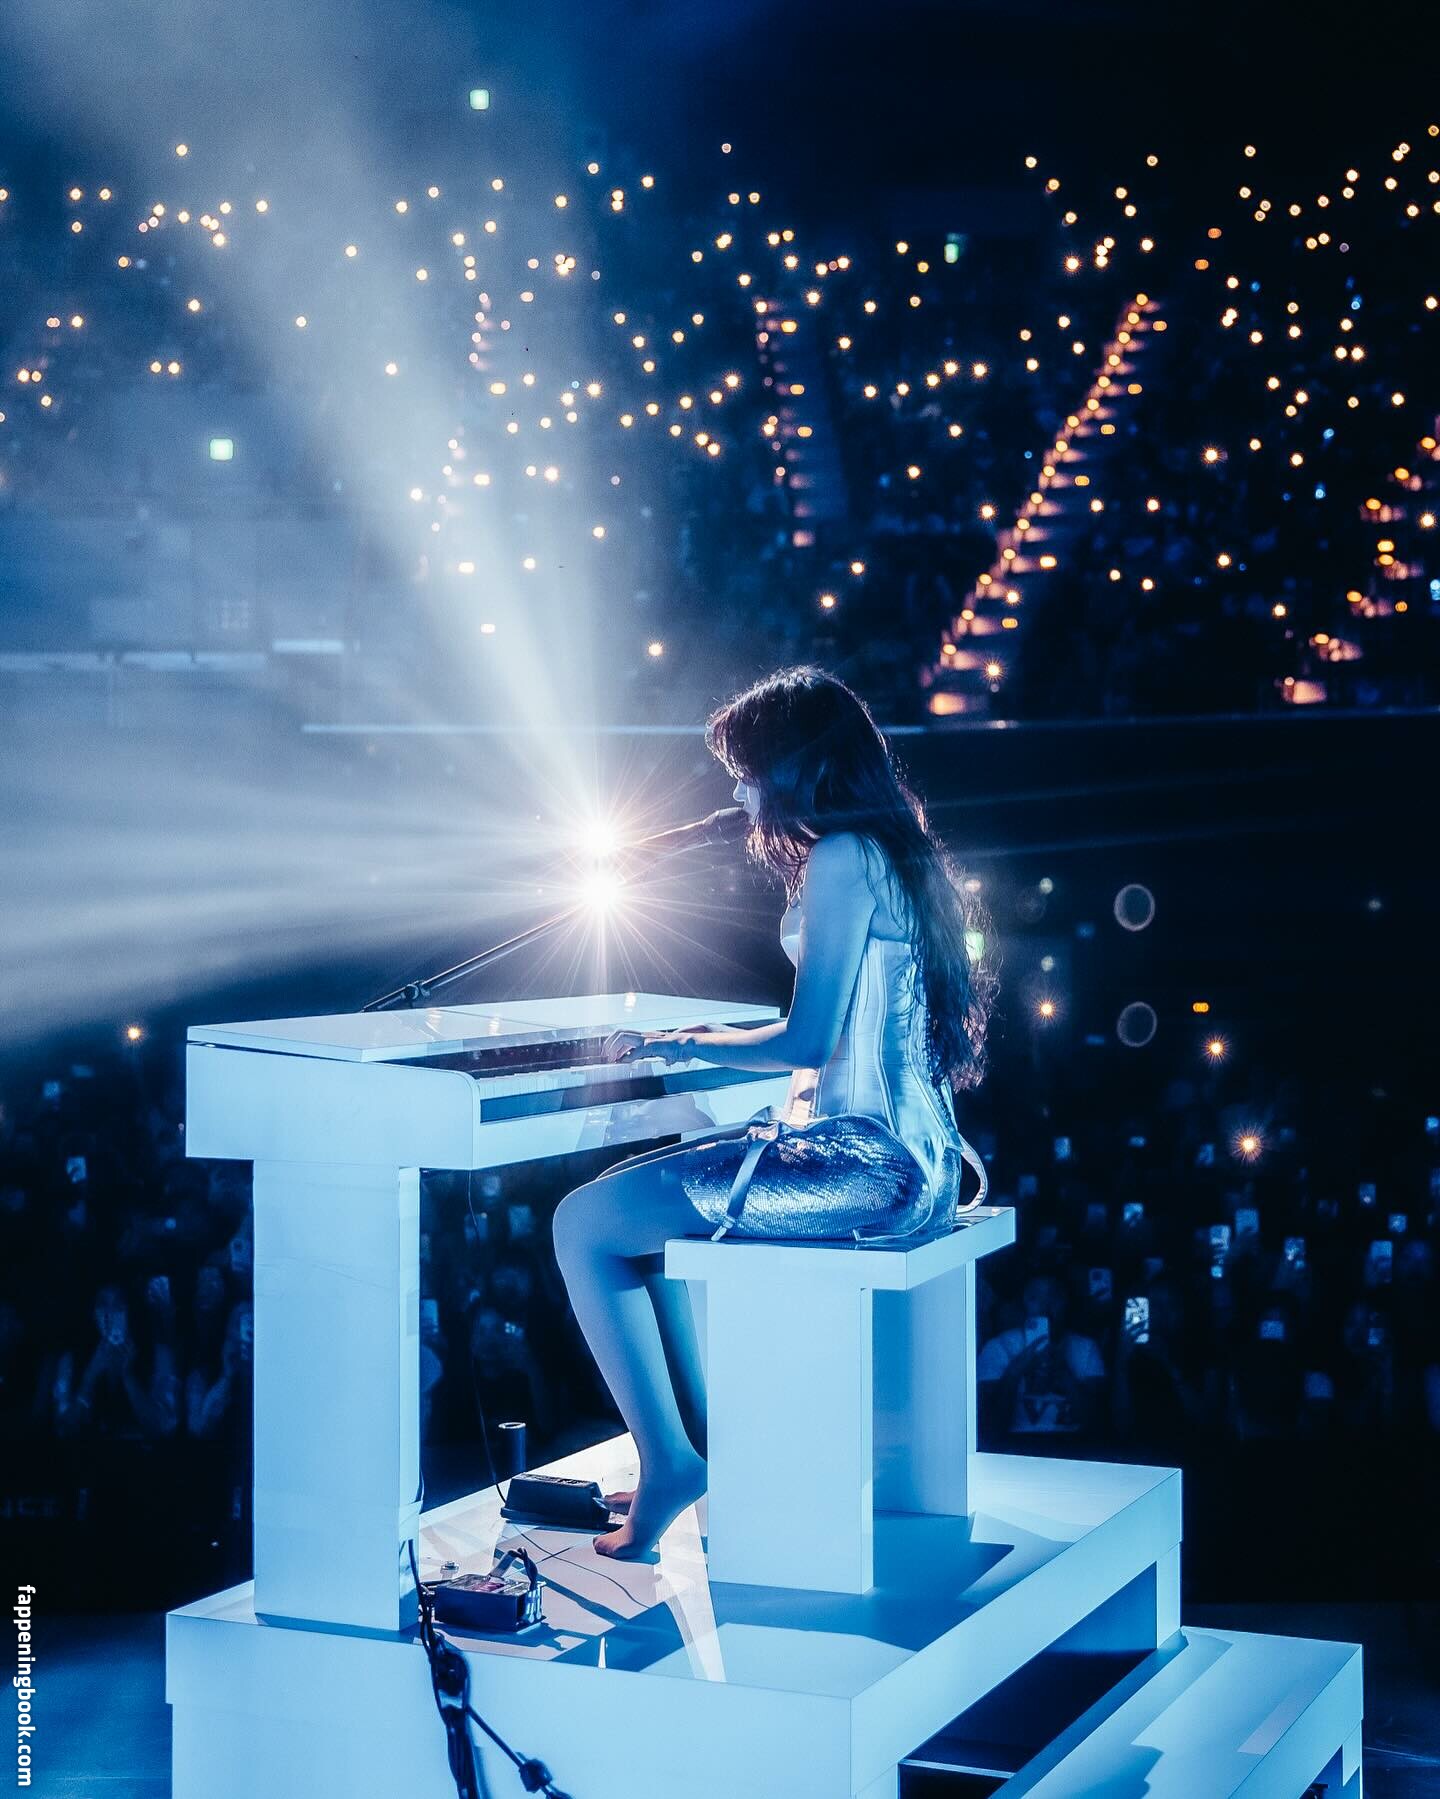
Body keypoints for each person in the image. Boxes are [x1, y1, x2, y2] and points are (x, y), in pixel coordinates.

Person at [551, 664, 997, 1557]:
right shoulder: (885, 849)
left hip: (865, 1162)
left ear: (794, 766)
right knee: (631, 1206)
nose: (739, 794)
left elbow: (808, 1040)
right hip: (912, 1159)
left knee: (582, 1223)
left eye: (747, 772)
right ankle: (695, 1452)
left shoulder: (843, 858)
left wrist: (687, 1042)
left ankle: (672, 1462)